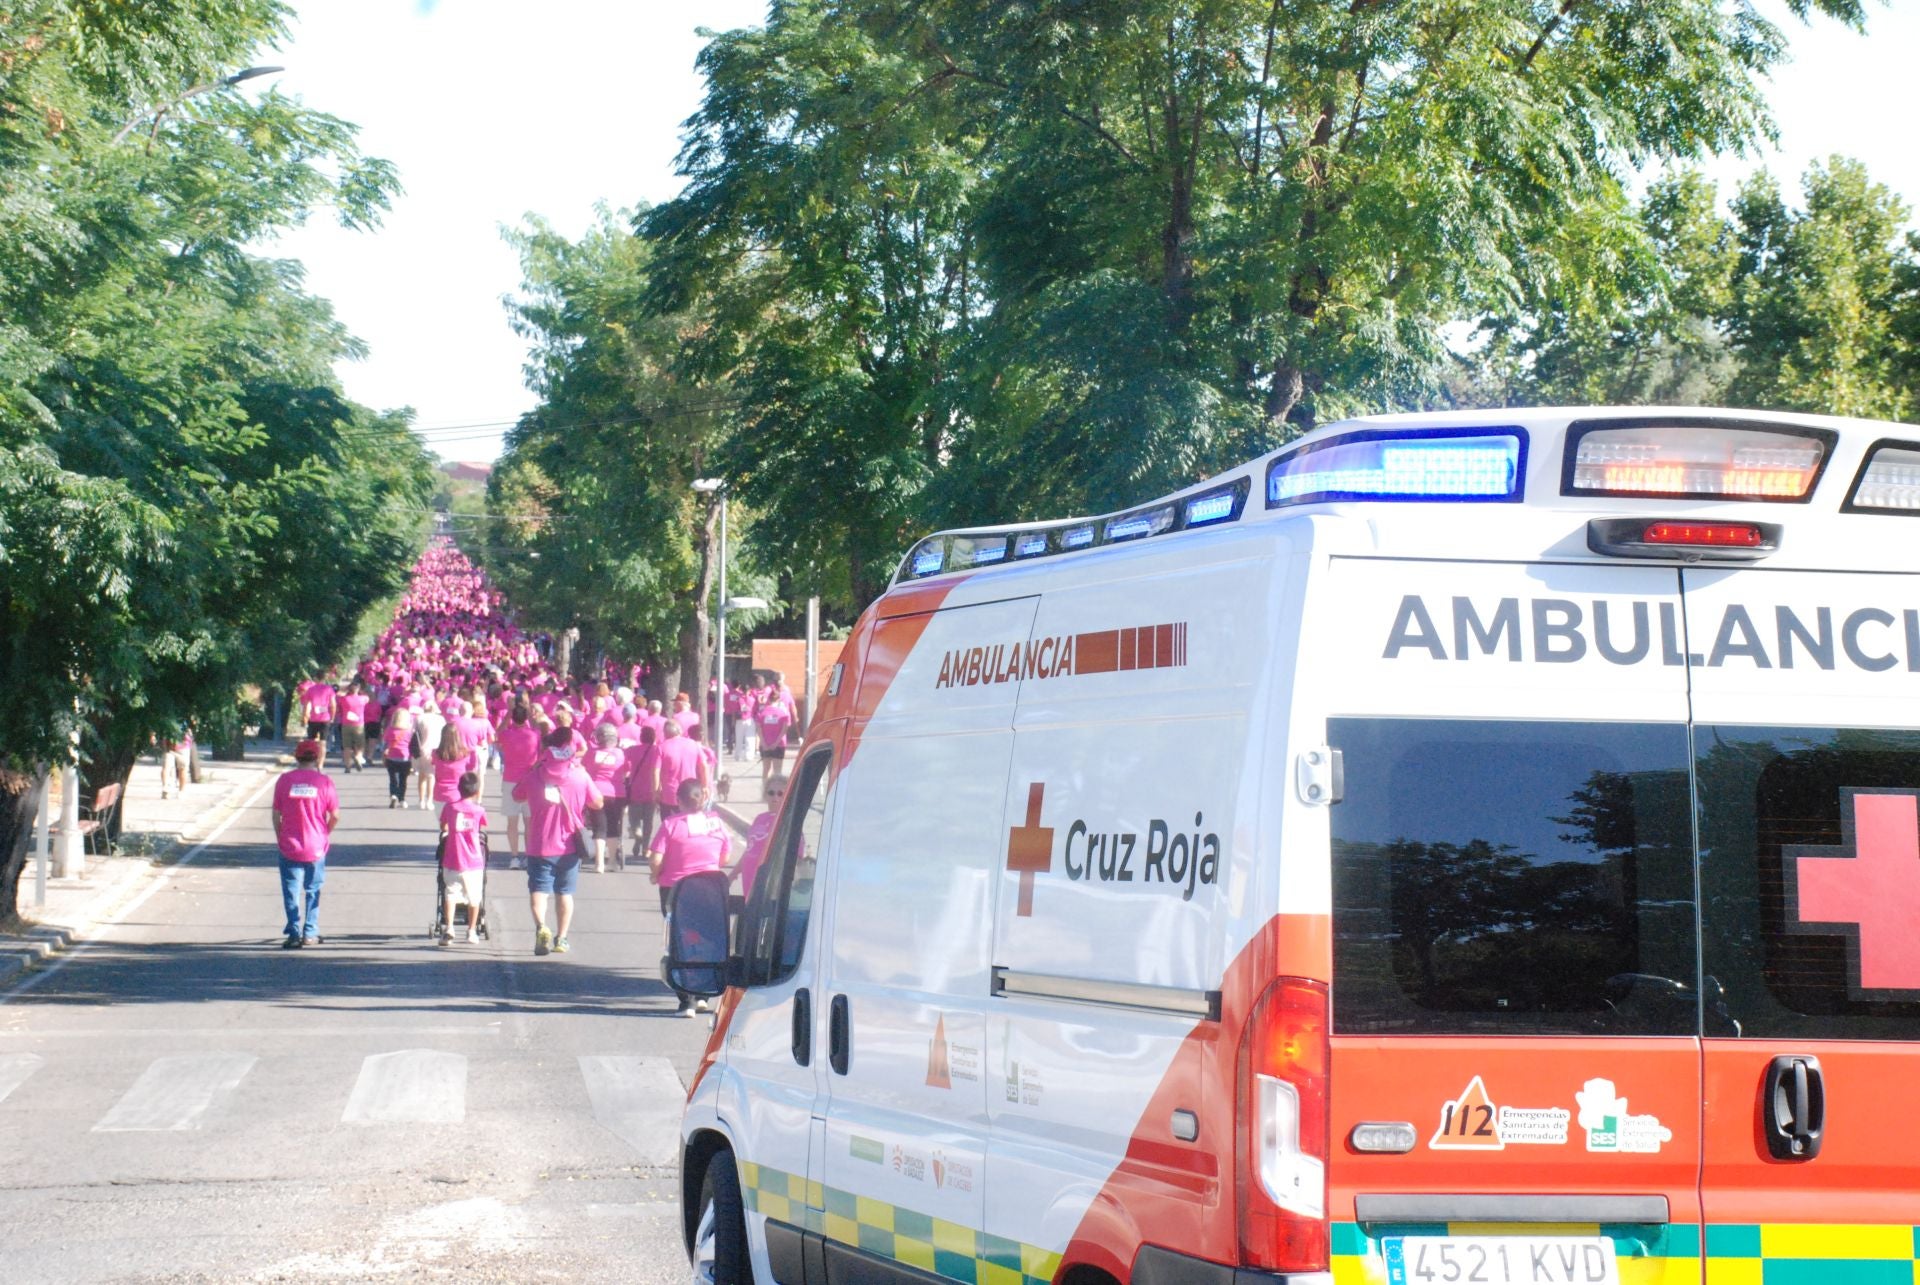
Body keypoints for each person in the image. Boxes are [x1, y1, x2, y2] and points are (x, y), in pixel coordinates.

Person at [512, 727, 602, 956]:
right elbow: (598, 803)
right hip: (570, 845)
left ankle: (541, 926)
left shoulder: (535, 775)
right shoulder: (580, 775)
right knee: (565, 892)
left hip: (539, 843)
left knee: (539, 890)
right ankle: (561, 938)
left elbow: (517, 795)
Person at [649, 778, 731, 1016]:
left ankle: (687, 999)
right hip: (710, 887)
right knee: (708, 938)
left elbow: (655, 858)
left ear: (678, 801)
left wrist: (655, 875)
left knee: (679, 940)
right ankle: (705, 991)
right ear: (703, 798)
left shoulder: (671, 825)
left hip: (676, 889)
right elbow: (726, 853)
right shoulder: (716, 823)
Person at [271, 740, 339, 948]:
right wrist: (324, 833)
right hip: (316, 844)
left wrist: (280, 835)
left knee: (291, 889)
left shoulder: (284, 781)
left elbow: (276, 814)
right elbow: (335, 815)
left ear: (296, 757)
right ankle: (310, 931)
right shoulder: (325, 782)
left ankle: (293, 931)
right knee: (313, 889)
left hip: (290, 843)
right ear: (318, 758)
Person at [438, 771, 488, 945]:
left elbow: (443, 825)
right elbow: (481, 826)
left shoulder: (450, 807)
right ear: (476, 791)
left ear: (459, 789)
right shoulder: (479, 810)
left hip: (452, 858)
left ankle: (449, 928)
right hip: (473, 861)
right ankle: (471, 930)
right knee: (474, 897)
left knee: (450, 893)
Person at [496, 700, 541, 869]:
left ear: (513, 719)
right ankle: (529, 855)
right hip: (530, 781)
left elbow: (498, 732)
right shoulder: (534, 734)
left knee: (512, 822)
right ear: (527, 718)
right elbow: (538, 727)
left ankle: (514, 856)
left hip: (510, 781)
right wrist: (529, 713)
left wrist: (508, 714)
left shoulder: (507, 734)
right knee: (530, 822)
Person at [583, 722, 631, 873]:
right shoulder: (621, 754)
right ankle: (611, 861)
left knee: (598, 827)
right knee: (613, 827)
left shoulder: (592, 753)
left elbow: (586, 770)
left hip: (596, 792)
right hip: (616, 793)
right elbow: (626, 772)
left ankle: (599, 863)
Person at [733, 772, 786, 905]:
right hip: (749, 879)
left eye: (780, 793)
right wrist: (732, 875)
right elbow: (749, 849)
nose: (775, 797)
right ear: (765, 795)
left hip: (768, 884)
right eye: (771, 792)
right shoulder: (760, 818)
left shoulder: (787, 822)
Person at [651, 718, 709, 819]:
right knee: (690, 822)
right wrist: (704, 786)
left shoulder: (661, 747)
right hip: (690, 792)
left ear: (665, 733)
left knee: (669, 823)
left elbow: (655, 771)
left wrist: (656, 791)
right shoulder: (693, 744)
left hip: (669, 794)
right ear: (680, 731)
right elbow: (704, 766)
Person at [625, 725, 661, 861]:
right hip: (651, 790)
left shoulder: (632, 750)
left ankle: (636, 832)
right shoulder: (657, 750)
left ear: (641, 737)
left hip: (635, 789)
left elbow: (623, 762)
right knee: (648, 821)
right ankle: (646, 848)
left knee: (634, 819)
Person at [412, 698, 447, 810]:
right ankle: (430, 800)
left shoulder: (419, 718)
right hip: (436, 748)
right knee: (431, 776)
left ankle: (421, 800)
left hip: (422, 747)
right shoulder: (441, 719)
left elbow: (413, 733)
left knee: (422, 775)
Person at [380, 704, 416, 808]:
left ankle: (393, 795)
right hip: (405, 757)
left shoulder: (390, 729)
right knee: (403, 780)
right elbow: (412, 745)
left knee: (393, 779)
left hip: (391, 757)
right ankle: (402, 799)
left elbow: (385, 742)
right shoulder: (409, 731)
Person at [430, 723, 468, 811]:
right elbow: (472, 767)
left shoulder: (436, 753)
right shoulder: (464, 754)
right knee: (455, 823)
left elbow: (433, 763)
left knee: (442, 823)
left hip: (440, 793)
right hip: (458, 793)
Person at [337, 680, 371, 773]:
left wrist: (345, 689)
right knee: (360, 745)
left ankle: (347, 766)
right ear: (358, 689)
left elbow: (339, 702)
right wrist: (360, 690)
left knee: (346, 746)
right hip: (359, 724)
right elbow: (368, 697)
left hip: (346, 724)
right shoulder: (363, 699)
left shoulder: (343, 699)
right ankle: (358, 757)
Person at [303, 676, 336, 768]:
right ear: (324, 679)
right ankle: (320, 764)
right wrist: (332, 717)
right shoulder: (329, 689)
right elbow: (333, 705)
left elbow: (307, 705)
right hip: (325, 719)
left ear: (316, 679)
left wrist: (305, 717)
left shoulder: (311, 689)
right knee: (323, 743)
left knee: (311, 742)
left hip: (313, 718)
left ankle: (311, 761)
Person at [756, 692, 794, 768]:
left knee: (766, 770)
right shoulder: (783, 714)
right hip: (779, 745)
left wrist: (763, 743)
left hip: (765, 744)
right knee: (778, 771)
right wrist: (776, 743)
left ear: (769, 699)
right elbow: (784, 730)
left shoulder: (761, 713)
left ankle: (766, 780)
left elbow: (759, 729)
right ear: (779, 700)